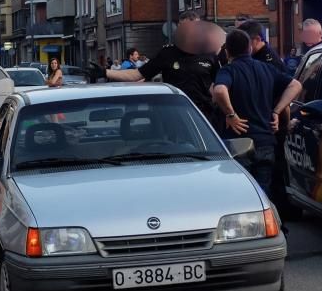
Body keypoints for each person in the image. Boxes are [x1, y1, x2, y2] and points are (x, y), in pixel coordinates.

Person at [212, 29, 302, 199]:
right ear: (250, 49)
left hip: (238, 143)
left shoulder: (228, 71)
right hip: (265, 141)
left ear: (227, 51)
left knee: (239, 194)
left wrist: (231, 115)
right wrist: (277, 110)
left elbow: (219, 90)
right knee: (262, 193)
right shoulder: (267, 69)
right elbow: (295, 85)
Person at [96, 19, 220, 124]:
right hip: (174, 116)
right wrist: (105, 72)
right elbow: (136, 75)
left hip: (203, 116)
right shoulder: (167, 54)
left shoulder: (209, 54)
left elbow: (219, 86)